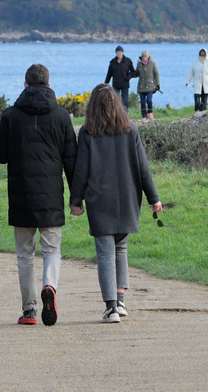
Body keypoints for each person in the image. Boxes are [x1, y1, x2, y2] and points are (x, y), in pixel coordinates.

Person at [0, 64, 77, 327]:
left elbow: (0, 156)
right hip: (51, 197)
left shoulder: (10, 116)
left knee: (25, 254)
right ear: (49, 86)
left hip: (21, 197)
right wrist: (77, 198)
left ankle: (29, 310)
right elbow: (71, 160)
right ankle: (49, 287)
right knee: (52, 249)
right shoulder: (62, 116)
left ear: (25, 85)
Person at [69, 84, 162, 324]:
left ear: (93, 108)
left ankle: (111, 308)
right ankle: (120, 303)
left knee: (105, 254)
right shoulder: (130, 131)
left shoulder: (88, 134)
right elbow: (143, 169)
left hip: (100, 200)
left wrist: (76, 200)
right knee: (120, 250)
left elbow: (81, 171)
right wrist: (154, 198)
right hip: (127, 199)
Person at [104, 45, 136, 110]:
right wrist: (106, 83)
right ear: (116, 53)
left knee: (125, 101)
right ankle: (117, 115)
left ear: (123, 53)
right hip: (116, 84)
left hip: (125, 84)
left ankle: (125, 115)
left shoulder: (128, 61)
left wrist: (128, 77)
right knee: (116, 101)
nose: (119, 53)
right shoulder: (112, 62)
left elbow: (133, 72)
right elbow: (109, 74)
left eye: (120, 52)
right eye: (118, 52)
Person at [135, 50, 160, 121]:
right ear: (141, 57)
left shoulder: (153, 64)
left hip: (150, 86)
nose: (144, 57)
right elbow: (136, 73)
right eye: (143, 56)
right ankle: (144, 116)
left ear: (148, 56)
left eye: (145, 56)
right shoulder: (139, 65)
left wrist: (157, 84)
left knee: (149, 100)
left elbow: (156, 74)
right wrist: (129, 75)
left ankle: (150, 113)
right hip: (141, 86)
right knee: (142, 102)